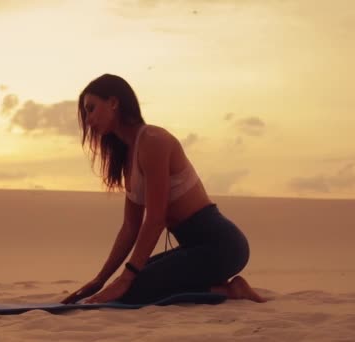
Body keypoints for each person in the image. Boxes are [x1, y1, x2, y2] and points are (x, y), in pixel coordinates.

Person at [61, 74, 266, 305]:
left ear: (114, 103)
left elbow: (156, 219)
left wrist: (126, 279)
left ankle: (231, 292)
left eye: (91, 109)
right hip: (193, 247)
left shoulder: (153, 140)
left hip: (221, 245)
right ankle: (225, 287)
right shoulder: (127, 156)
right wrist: (100, 280)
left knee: (133, 288)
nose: (88, 120)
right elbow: (130, 227)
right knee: (128, 280)